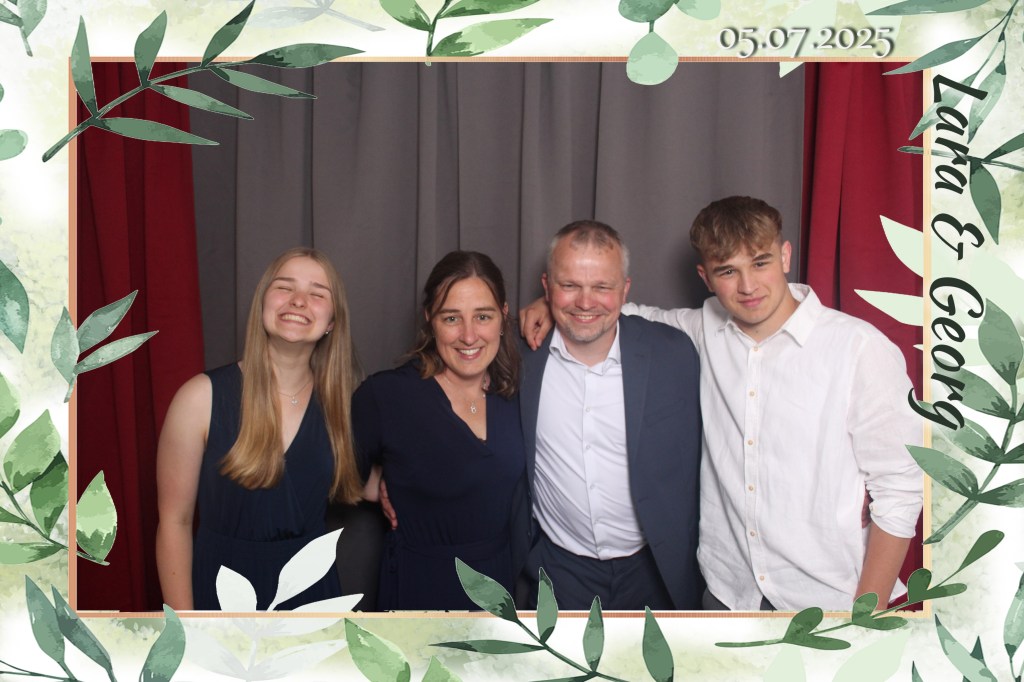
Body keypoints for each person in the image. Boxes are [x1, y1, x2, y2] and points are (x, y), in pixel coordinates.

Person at [521, 197, 923, 611]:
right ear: (707, 277)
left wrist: (865, 615)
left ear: (785, 256)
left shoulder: (859, 348)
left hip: (826, 599)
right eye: (728, 271)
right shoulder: (700, 330)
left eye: (760, 263)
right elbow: (610, 313)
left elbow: (900, 489)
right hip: (727, 592)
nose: (747, 286)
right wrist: (552, 304)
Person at [156, 247, 363, 610]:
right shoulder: (199, 398)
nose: (298, 301)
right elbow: (175, 522)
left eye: (317, 294)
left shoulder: (345, 405)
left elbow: (383, 476)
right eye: (284, 287)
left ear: (332, 321)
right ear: (263, 303)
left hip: (311, 595)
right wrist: (184, 627)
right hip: (223, 593)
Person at [519, 220, 703, 610]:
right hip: (559, 570)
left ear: (624, 290)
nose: (586, 302)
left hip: (655, 571)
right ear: (547, 286)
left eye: (602, 287)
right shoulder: (518, 356)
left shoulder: (674, 353)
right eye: (570, 285)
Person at [352, 251, 527, 610]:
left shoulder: (519, 394)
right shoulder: (386, 396)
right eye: (451, 318)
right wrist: (384, 484)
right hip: (421, 587)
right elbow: (334, 479)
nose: (469, 336)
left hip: (499, 587)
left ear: (503, 317)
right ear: (430, 320)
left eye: (483, 316)